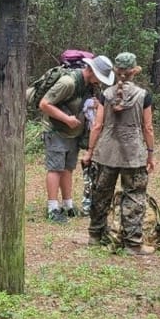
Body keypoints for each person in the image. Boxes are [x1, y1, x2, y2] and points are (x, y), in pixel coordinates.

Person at [81, 51, 156, 255]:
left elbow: (97, 126)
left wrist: (89, 152)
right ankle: (133, 243)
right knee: (134, 195)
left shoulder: (105, 95)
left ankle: (95, 236)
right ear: (134, 72)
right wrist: (150, 153)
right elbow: (147, 128)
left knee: (101, 192)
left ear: (115, 71)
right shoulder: (144, 96)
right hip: (133, 154)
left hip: (106, 152)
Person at [39, 54, 115, 223]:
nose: (100, 81)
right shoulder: (68, 83)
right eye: (99, 77)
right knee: (55, 169)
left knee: (68, 169)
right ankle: (52, 208)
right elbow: (44, 104)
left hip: (73, 134)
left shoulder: (89, 86)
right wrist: (66, 119)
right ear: (91, 71)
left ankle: (68, 205)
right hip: (56, 131)